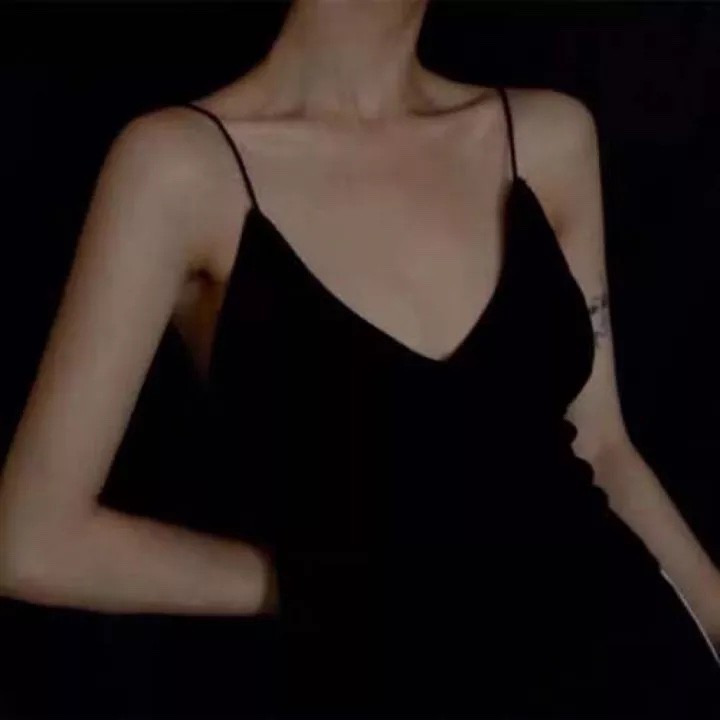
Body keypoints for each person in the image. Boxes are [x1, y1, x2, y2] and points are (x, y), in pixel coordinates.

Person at [1, 0, 719, 717]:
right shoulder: (182, 168)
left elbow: (604, 447)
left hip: (643, 668)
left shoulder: (546, 137)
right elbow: (30, 542)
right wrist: (308, 581)